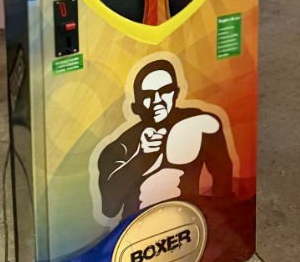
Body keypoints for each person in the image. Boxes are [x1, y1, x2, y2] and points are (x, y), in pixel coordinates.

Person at [97, 59, 233, 219]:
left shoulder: (198, 123)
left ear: (176, 93)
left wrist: (216, 220)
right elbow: (109, 208)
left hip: (188, 223)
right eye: (148, 95)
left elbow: (223, 183)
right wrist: (141, 158)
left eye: (165, 91)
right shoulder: (119, 149)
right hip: (139, 229)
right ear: (136, 107)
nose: (157, 100)